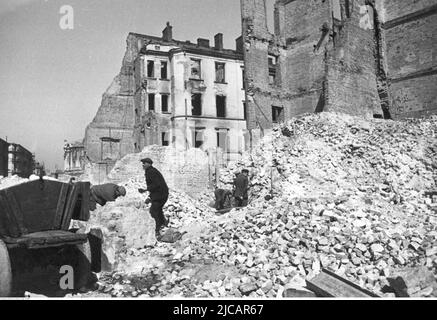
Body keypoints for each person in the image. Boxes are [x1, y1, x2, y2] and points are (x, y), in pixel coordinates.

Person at [138, 157, 169, 237]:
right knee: (158, 210)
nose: (143, 165)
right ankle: (164, 224)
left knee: (154, 211)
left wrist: (145, 190)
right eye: (143, 163)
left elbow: (156, 184)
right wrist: (149, 197)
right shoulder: (150, 171)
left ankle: (157, 230)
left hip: (161, 195)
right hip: (160, 194)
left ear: (149, 164)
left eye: (144, 163)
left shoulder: (151, 172)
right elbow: (155, 187)